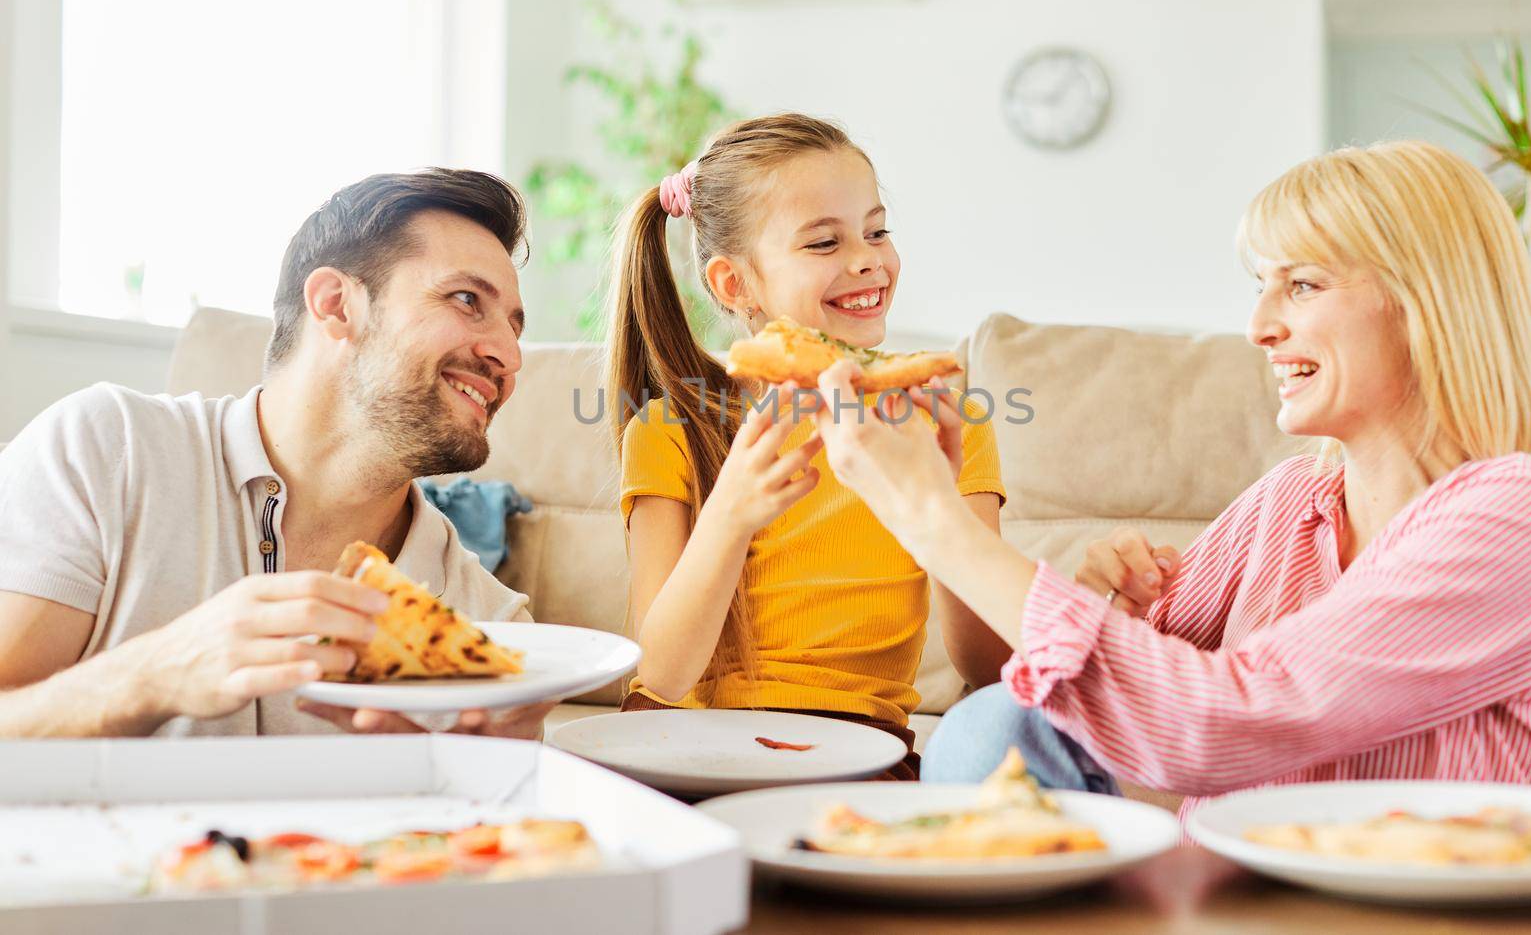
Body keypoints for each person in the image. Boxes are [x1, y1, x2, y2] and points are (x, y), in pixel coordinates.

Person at [809, 141, 1531, 812]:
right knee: (992, 725)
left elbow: (1224, 721)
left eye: (1303, 284)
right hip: (1228, 893)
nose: (1259, 326)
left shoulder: (1522, 513)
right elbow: (1128, 686)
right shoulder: (1291, 500)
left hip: (1408, 908)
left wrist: (931, 520)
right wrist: (1120, 605)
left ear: (1426, 301)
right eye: (1262, 286)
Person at [0, 168, 551, 739]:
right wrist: (152, 675)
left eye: (515, 327)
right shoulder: (106, 451)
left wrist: (461, 777)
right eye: (466, 300)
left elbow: (492, 822)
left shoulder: (491, 623)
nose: (510, 357)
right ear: (336, 305)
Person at [607, 113, 1009, 777]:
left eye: (877, 230)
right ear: (734, 284)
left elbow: (987, 667)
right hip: (691, 751)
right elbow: (657, 677)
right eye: (823, 242)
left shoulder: (942, 416)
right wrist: (731, 513)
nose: (867, 259)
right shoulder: (671, 428)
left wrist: (936, 508)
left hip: (865, 750)